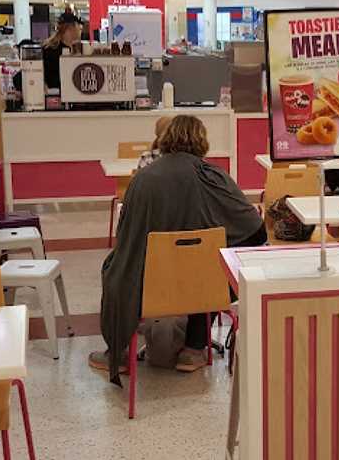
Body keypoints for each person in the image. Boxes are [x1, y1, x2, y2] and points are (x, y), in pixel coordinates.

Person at [91, 115, 266, 381]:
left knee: (114, 266)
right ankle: (194, 349)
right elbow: (255, 230)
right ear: (202, 141)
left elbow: (126, 239)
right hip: (199, 288)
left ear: (164, 139)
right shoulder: (212, 176)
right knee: (216, 268)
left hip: (149, 285)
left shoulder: (143, 179)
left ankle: (119, 353)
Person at [41, 11, 82, 90]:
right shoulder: (53, 49)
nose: (79, 31)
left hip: (53, 92)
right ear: (71, 28)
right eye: (78, 27)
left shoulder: (49, 46)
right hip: (57, 92)